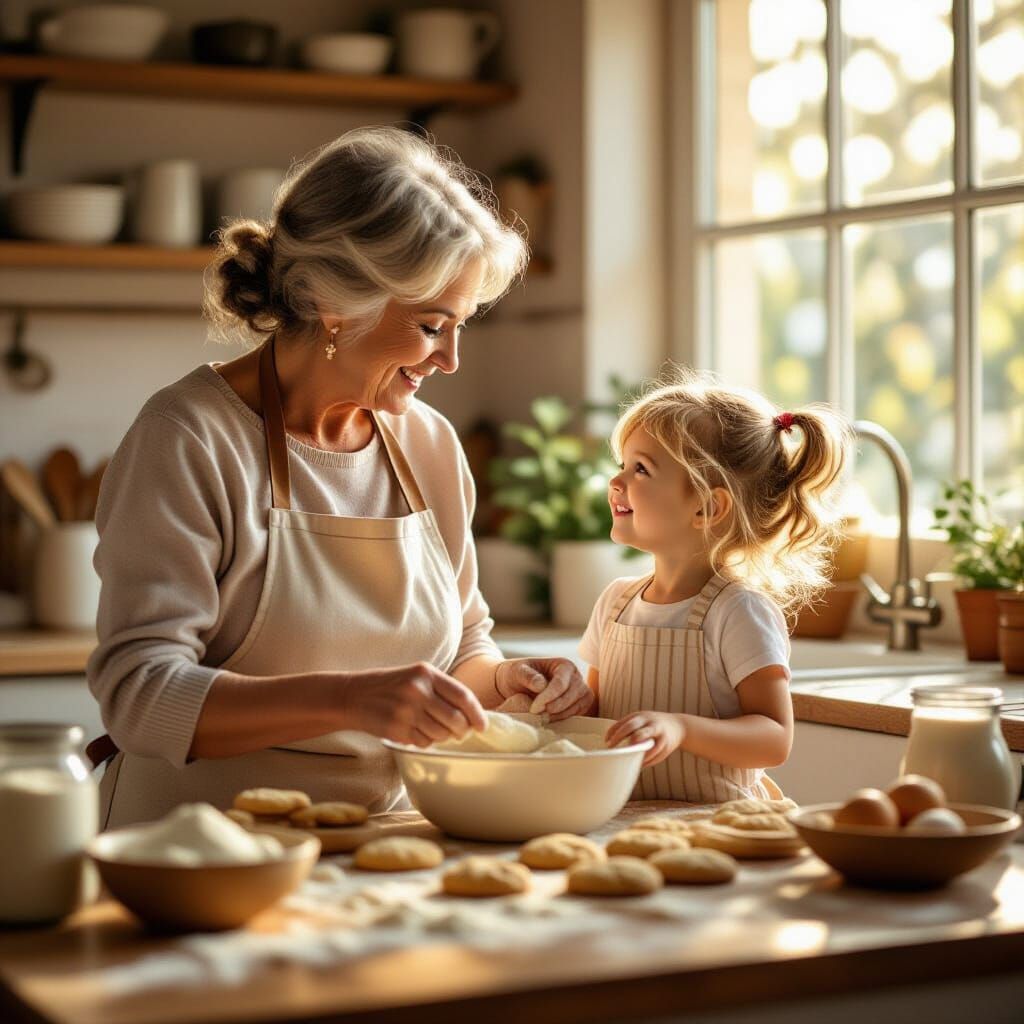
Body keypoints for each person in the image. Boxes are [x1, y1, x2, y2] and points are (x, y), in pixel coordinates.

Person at [87, 127, 593, 829]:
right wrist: (349, 699)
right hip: (198, 850)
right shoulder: (188, 436)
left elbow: (462, 645)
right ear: (337, 305)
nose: (448, 358)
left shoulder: (429, 446)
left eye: (461, 326)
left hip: (374, 843)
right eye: (430, 326)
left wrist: (508, 679)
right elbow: (140, 695)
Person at [579, 371, 852, 803]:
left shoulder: (738, 611)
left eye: (641, 469)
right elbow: (592, 719)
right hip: (622, 817)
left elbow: (774, 738)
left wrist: (680, 728)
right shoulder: (615, 603)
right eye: (622, 465)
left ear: (708, 506)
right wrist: (556, 701)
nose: (616, 482)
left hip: (720, 822)